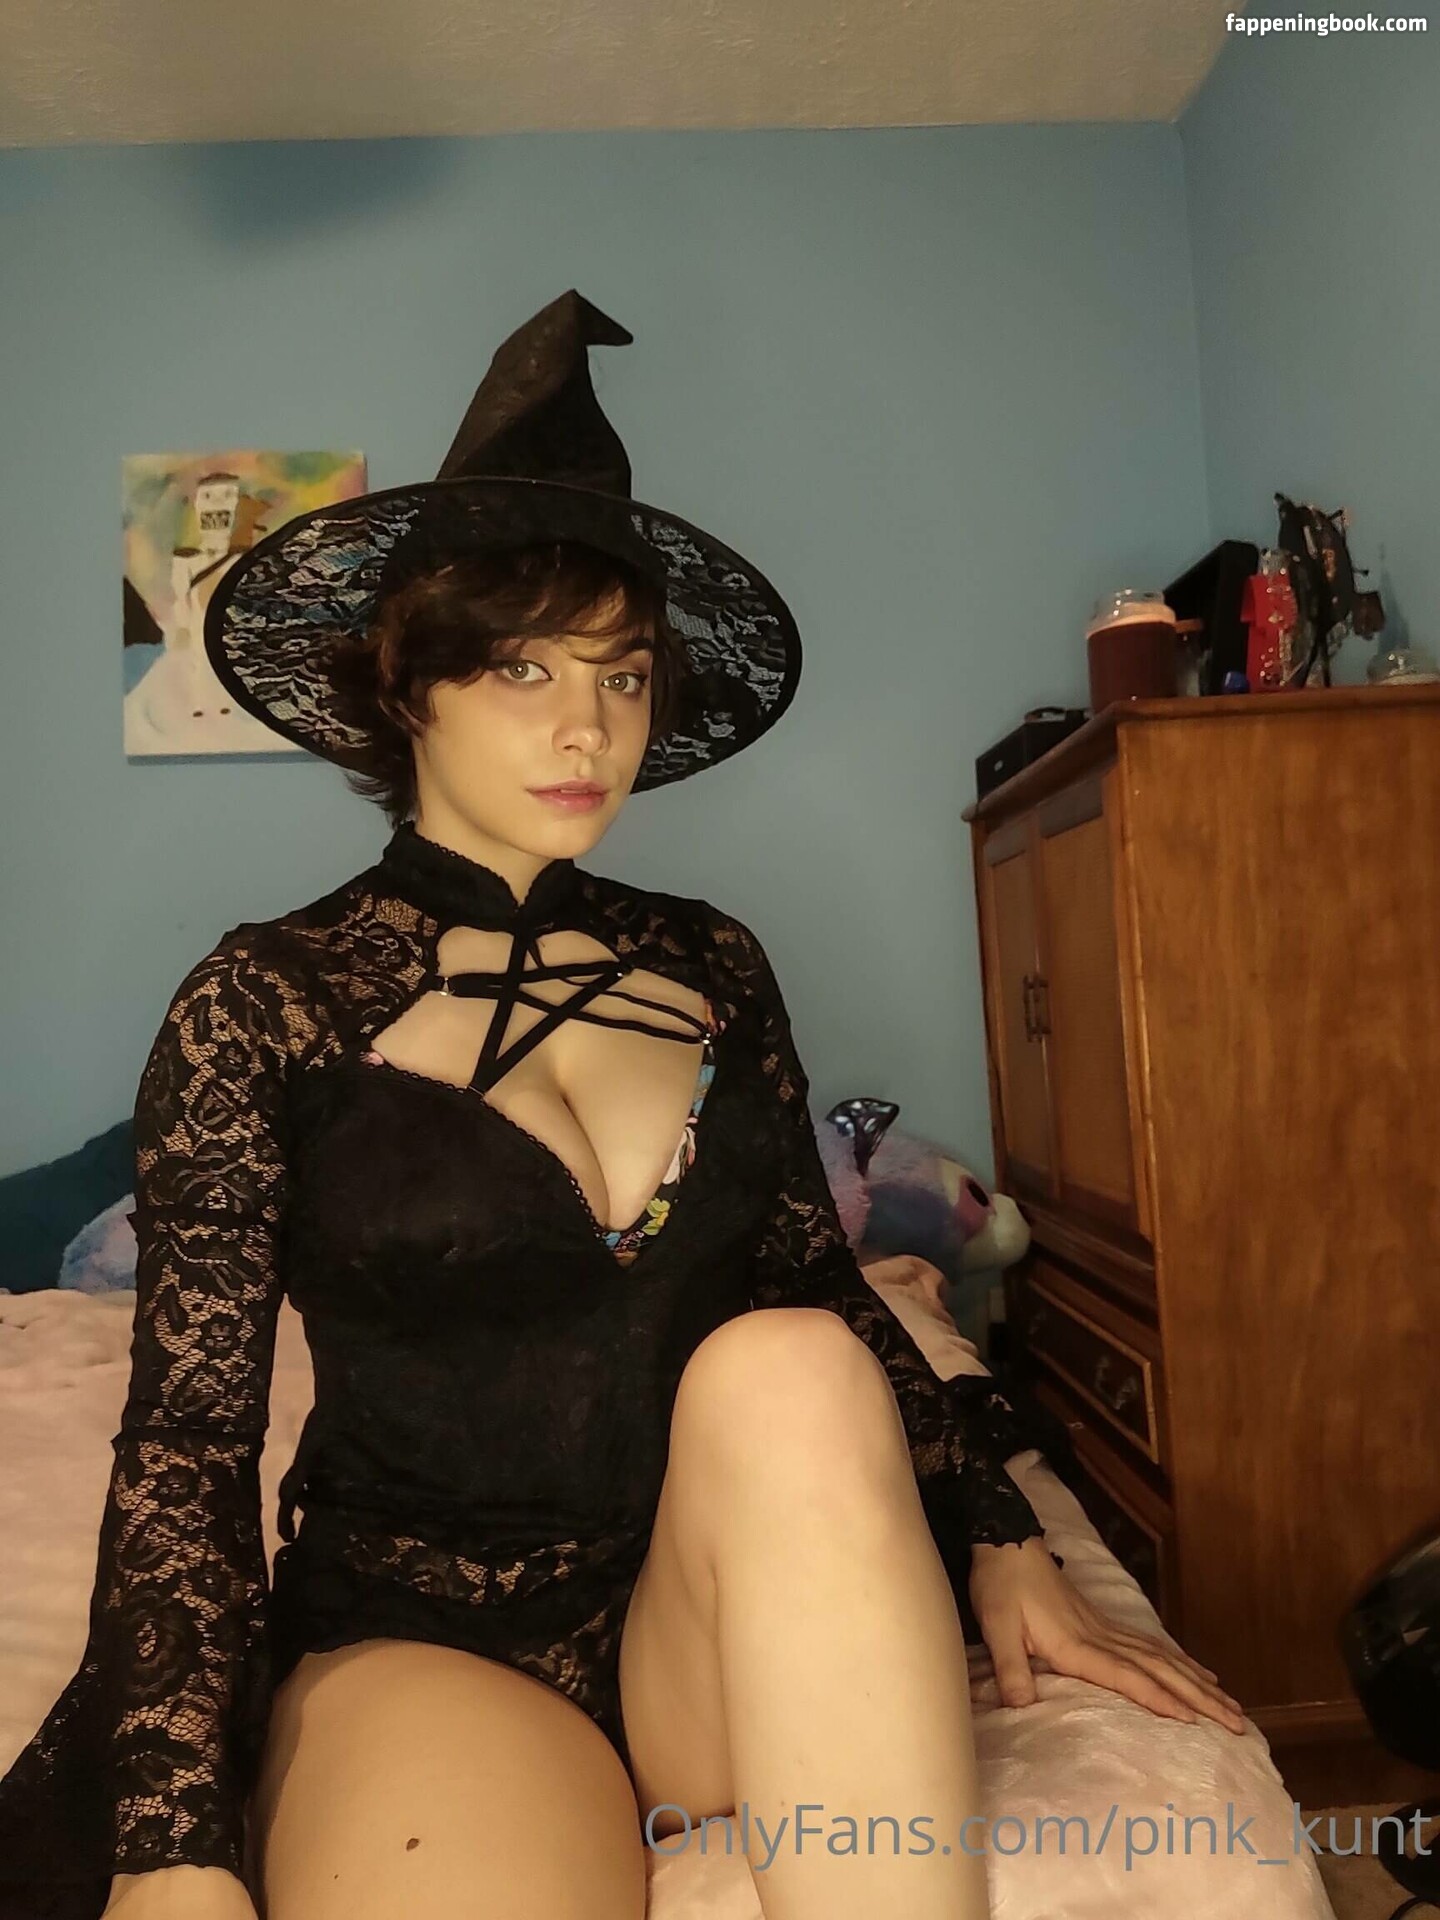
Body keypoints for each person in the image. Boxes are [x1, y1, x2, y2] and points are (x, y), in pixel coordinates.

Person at [0, 292, 1244, 1920]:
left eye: (623, 672)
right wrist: (171, 1844)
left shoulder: (712, 962)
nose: (588, 725)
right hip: (426, 1635)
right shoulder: (264, 1001)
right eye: (523, 667)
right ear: (408, 686)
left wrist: (1002, 1530)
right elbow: (187, 1445)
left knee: (790, 1357)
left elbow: (817, 1282)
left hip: (698, 1608)